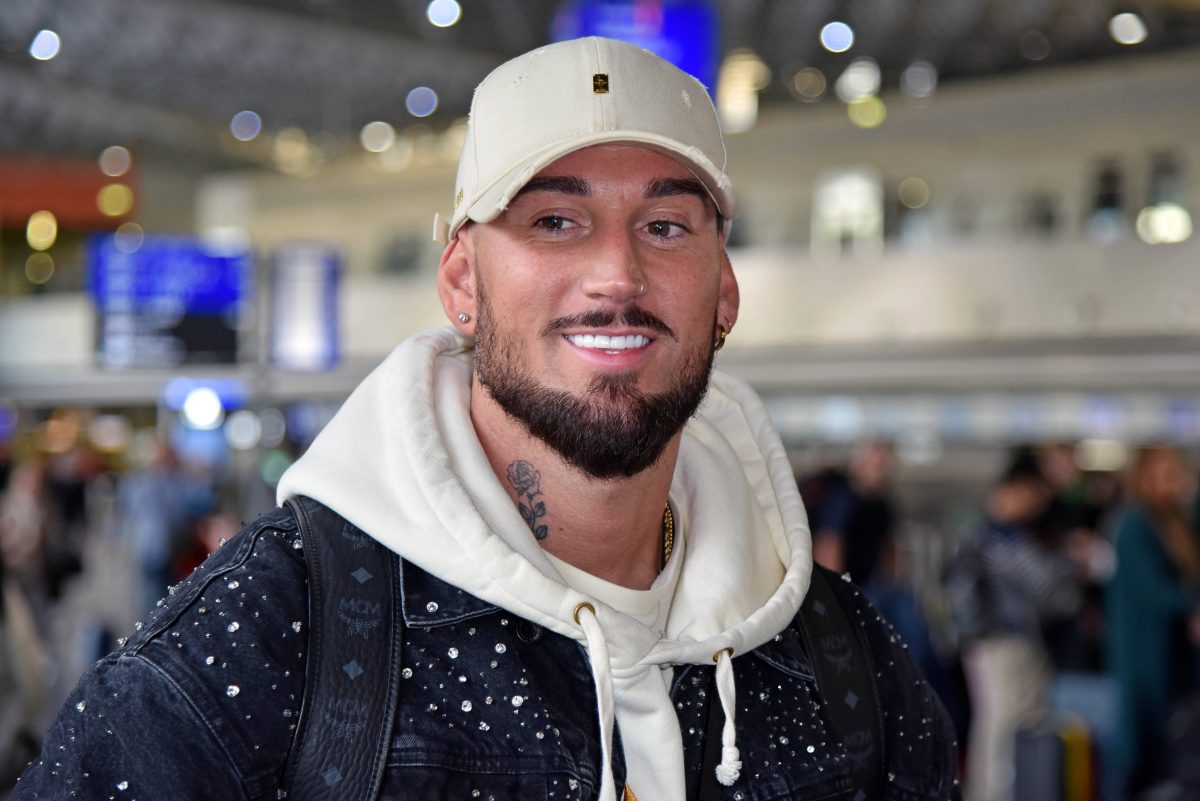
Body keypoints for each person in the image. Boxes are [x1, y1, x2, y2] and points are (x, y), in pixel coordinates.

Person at [14, 37, 957, 801]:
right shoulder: (277, 639)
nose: (617, 276)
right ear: (463, 282)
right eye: (555, 221)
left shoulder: (842, 665)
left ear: (725, 292)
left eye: (666, 226)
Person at [947, 452, 1090, 801]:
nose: (1039, 504)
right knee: (1004, 733)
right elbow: (1051, 589)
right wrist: (1072, 562)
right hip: (1004, 646)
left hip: (995, 646)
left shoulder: (988, 535)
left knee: (999, 730)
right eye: (1036, 494)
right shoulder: (998, 538)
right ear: (1017, 489)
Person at [1106, 446, 1200, 800]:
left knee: (1170, 747)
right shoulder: (1135, 524)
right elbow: (1154, 590)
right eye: (1164, 474)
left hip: (1172, 653)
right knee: (1140, 747)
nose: (1173, 482)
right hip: (1145, 651)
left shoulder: (1176, 523)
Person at [811, 440, 896, 585]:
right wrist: (837, 593)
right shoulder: (842, 502)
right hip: (849, 588)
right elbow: (828, 548)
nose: (882, 473)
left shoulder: (882, 507)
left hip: (871, 584)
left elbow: (888, 552)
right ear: (860, 467)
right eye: (877, 467)